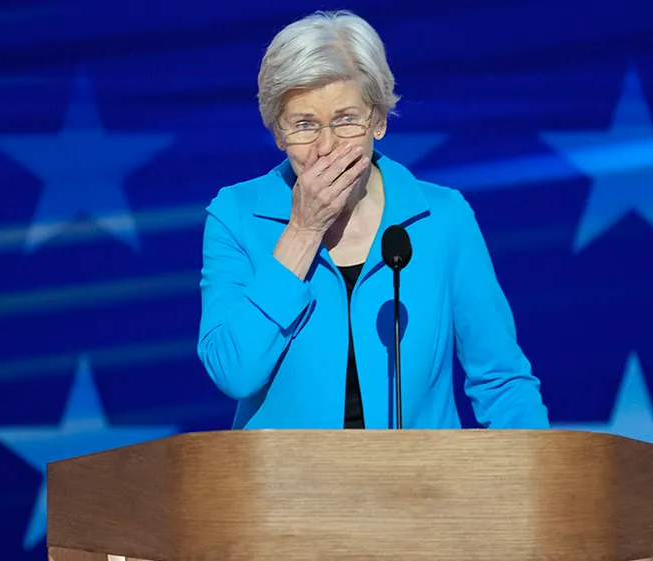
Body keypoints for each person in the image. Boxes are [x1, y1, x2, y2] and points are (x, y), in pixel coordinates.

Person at [196, 9, 549, 430]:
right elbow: (233, 373)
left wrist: (529, 483)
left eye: (346, 120)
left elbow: (502, 381)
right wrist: (303, 231)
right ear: (277, 132)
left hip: (420, 490)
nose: (326, 146)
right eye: (305, 125)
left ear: (378, 120)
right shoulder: (236, 215)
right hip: (282, 492)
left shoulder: (442, 218)